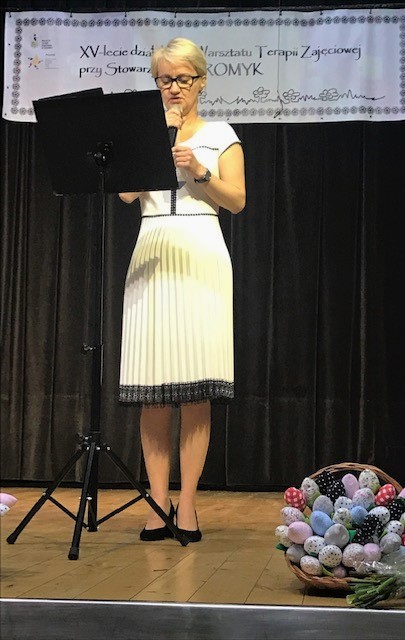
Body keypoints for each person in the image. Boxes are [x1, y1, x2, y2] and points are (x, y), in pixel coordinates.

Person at [118, 37, 246, 543]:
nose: (173, 88)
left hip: (201, 252)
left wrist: (199, 170)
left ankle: (188, 504)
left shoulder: (221, 134)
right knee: (152, 391)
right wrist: (156, 141)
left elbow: (236, 200)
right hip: (152, 249)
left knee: (196, 389)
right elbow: (126, 192)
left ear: (201, 80)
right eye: (165, 79)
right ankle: (157, 503)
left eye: (182, 79)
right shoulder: (146, 133)